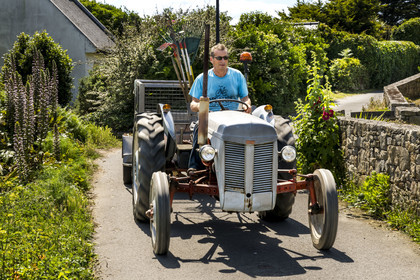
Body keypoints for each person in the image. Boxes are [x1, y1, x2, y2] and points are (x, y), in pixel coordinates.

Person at [187, 43, 251, 174]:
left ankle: (247, 164)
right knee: (200, 127)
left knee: (249, 129)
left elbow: (245, 98)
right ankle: (195, 165)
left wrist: (248, 105)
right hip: (211, 117)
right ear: (211, 60)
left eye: (225, 58)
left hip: (233, 117)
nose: (223, 61)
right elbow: (193, 104)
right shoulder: (202, 78)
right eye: (219, 58)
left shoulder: (237, 75)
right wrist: (201, 106)